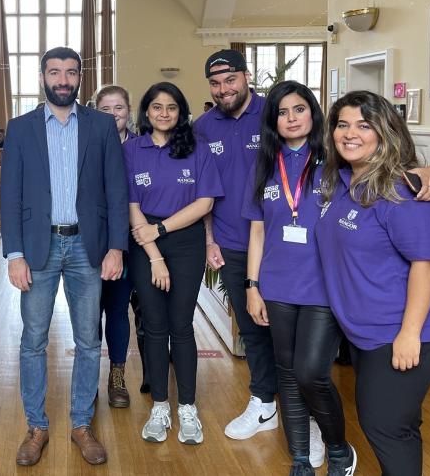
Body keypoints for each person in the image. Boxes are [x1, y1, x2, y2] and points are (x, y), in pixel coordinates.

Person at [316, 91, 430, 476]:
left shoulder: (405, 191)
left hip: (409, 330)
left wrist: (409, 334)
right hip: (365, 331)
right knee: (399, 422)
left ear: (385, 132)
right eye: (342, 124)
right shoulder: (341, 179)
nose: (350, 134)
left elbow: (426, 266)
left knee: (383, 424)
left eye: (364, 125)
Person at [1, 47, 128, 467]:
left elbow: (116, 190)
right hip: (38, 247)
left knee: (89, 341)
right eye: (54, 72)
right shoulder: (20, 128)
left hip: (86, 247)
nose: (62, 80)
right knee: (33, 341)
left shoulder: (102, 125)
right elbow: (11, 194)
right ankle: (36, 427)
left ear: (80, 79)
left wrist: (115, 246)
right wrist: (14, 253)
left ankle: (80, 424)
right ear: (42, 77)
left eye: (70, 73)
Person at [242, 81, 352, 475]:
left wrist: (428, 169)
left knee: (311, 372)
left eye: (299, 109)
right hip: (276, 285)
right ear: (273, 120)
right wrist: (252, 287)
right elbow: (257, 231)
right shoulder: (265, 164)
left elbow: (389, 169)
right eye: (282, 112)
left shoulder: (337, 159)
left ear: (313, 113)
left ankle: (338, 448)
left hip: (323, 286)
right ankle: (301, 458)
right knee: (287, 374)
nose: (291, 118)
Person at [125, 82, 222, 445]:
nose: (164, 113)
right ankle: (161, 407)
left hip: (185, 241)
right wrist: (153, 254)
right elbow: (131, 204)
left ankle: (188, 408)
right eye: (157, 107)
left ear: (181, 113)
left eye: (171, 108)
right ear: (146, 112)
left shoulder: (196, 149)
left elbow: (206, 202)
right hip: (143, 241)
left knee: (181, 325)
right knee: (154, 324)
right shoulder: (132, 149)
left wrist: (161, 230)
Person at [193, 49, 280, 441]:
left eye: (230, 80)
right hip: (231, 242)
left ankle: (304, 409)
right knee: (251, 326)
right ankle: (264, 403)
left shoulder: (276, 113)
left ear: (246, 77)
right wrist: (210, 239)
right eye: (215, 83)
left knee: (292, 328)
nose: (223, 89)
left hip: (282, 244)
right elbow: (203, 189)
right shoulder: (203, 126)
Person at [93, 84, 140, 406]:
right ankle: (87, 376)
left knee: (118, 309)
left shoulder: (141, 149)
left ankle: (117, 375)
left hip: (129, 243)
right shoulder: (85, 147)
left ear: (129, 111)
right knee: (88, 312)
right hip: (91, 243)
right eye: (105, 109)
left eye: (118, 108)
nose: (112, 115)